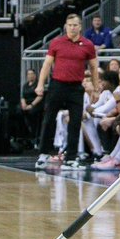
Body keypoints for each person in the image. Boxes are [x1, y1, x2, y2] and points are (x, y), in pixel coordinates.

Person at [34, 13, 100, 170]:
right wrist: (40, 84)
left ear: (80, 26)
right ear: (66, 26)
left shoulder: (88, 44)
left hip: (76, 87)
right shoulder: (57, 42)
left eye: (75, 25)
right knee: (49, 119)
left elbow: (93, 68)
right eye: (69, 25)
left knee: (75, 121)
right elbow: (47, 65)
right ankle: (44, 153)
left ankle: (71, 157)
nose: (72, 28)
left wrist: (95, 88)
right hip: (57, 85)